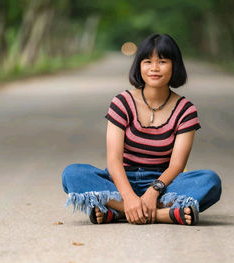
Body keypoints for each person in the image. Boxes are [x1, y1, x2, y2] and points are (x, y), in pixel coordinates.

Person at [61, 33, 222, 225]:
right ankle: (161, 214)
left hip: (162, 185)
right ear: (139, 65)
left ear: (174, 65)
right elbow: (114, 160)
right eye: (147, 61)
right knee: (72, 174)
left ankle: (118, 213)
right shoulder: (122, 102)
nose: (154, 68)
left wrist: (153, 192)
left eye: (162, 61)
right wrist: (129, 197)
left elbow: (176, 165)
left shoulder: (185, 110)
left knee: (210, 181)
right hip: (119, 182)